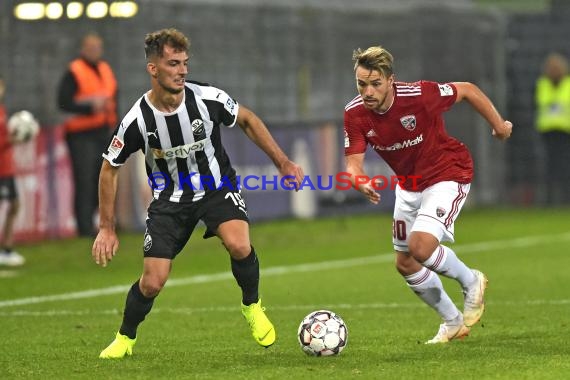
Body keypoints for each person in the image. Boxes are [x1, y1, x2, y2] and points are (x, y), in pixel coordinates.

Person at [92, 28, 304, 359]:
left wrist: (283, 162)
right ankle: (125, 338)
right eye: (173, 63)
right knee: (152, 282)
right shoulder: (137, 119)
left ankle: (252, 306)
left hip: (217, 187)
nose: (182, 71)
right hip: (169, 202)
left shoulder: (206, 99)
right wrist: (107, 227)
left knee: (239, 243)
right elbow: (110, 167)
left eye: (184, 63)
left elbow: (246, 119)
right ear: (153, 69)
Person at [343, 46, 512, 344]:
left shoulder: (419, 96)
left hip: (448, 172)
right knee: (405, 263)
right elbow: (353, 163)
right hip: (408, 185)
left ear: (390, 80)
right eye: (361, 84)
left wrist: (498, 126)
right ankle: (452, 322)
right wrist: (359, 180)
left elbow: (468, 90)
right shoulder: (355, 114)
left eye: (375, 84)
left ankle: (471, 280)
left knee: (420, 247)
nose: (367, 91)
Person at [57, 32, 118, 236]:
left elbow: (113, 98)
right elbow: (63, 102)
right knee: (84, 179)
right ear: (83, 49)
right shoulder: (74, 71)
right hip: (81, 135)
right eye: (91, 48)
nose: (95, 51)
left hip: (103, 131)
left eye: (97, 47)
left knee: (101, 179)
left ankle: (102, 223)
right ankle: (84, 228)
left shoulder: (105, 69)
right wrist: (89, 106)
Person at [535, 52, 570, 204]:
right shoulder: (542, 84)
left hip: (565, 131)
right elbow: (543, 101)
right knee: (549, 166)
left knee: (565, 164)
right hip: (548, 131)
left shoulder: (568, 83)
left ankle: (564, 198)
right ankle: (549, 199)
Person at [0, 77, 25, 267]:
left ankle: (7, 249)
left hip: (7, 168)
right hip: (1, 169)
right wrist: (12, 140)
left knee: (14, 205)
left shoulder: (2, 109)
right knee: (11, 205)